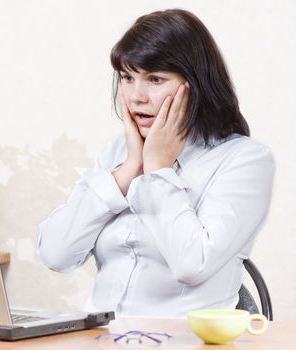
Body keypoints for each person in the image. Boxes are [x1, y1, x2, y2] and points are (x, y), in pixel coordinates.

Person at [37, 9, 275, 318]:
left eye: (155, 79)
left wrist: (159, 170)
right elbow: (56, 254)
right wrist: (127, 171)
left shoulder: (246, 160)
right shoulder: (119, 152)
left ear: (195, 84)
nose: (137, 96)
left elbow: (193, 265)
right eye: (127, 77)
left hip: (185, 338)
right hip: (101, 336)